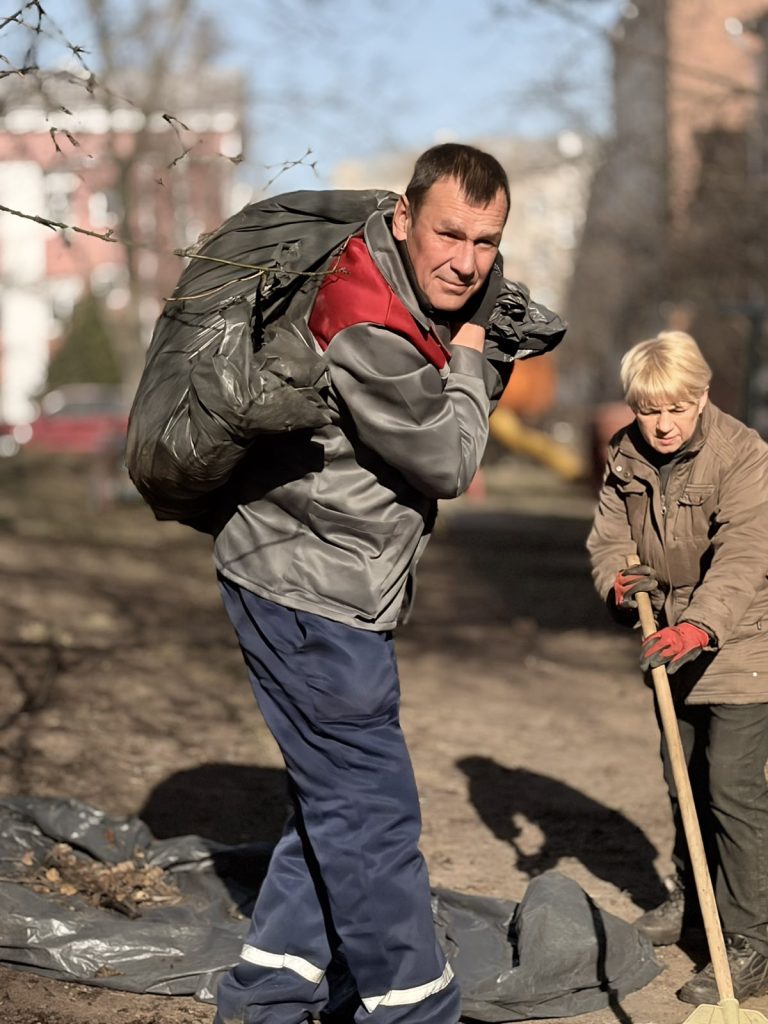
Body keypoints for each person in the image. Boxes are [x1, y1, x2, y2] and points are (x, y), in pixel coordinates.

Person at [207, 143, 563, 1024]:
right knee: (372, 813)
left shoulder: (399, 281)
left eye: (486, 241)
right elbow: (448, 460)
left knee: (335, 803)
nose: (467, 262)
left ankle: (269, 994)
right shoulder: (365, 318)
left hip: (324, 582)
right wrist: (474, 353)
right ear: (403, 219)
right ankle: (413, 1009)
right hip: (307, 591)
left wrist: (480, 333)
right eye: (449, 234)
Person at [586, 330, 768, 1006]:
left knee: (732, 789)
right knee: (682, 777)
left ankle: (751, 941)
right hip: (667, 637)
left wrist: (700, 625)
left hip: (742, 636)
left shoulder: (743, 454)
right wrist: (617, 582)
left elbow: (746, 555)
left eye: (677, 409)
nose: (662, 425)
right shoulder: (625, 455)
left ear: (703, 396)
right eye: (648, 410)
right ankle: (694, 900)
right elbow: (610, 538)